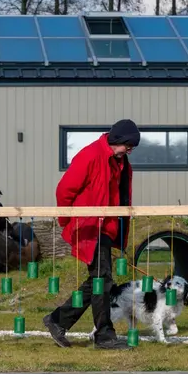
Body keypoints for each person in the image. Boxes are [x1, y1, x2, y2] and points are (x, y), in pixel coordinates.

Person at [42, 119, 140, 350]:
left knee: (100, 279)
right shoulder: (90, 155)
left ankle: (58, 321)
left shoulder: (121, 162)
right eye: (129, 146)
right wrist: (67, 221)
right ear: (118, 140)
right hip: (88, 227)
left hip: (105, 227)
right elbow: (64, 190)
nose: (130, 150)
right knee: (102, 279)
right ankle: (103, 335)